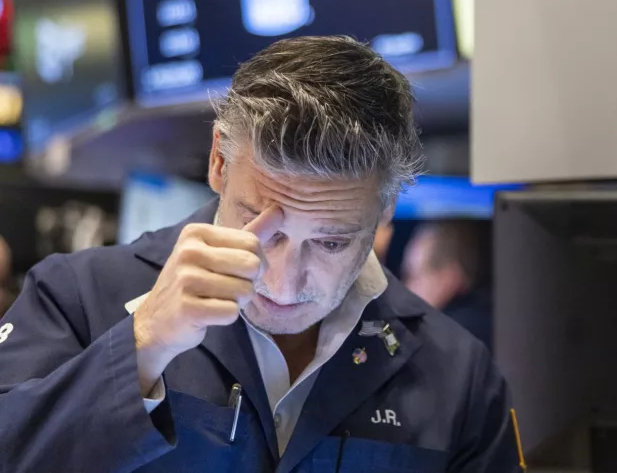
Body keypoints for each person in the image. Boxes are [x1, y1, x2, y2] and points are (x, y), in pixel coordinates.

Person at [0, 37, 521, 473]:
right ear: (219, 163)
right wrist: (139, 349)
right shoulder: (75, 299)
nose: (283, 281)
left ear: (386, 211)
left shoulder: (458, 372)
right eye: (261, 225)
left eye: (331, 242)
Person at [402, 221, 493, 351]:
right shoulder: (493, 322)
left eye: (413, 276)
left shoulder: (444, 340)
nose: (405, 287)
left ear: (449, 276)